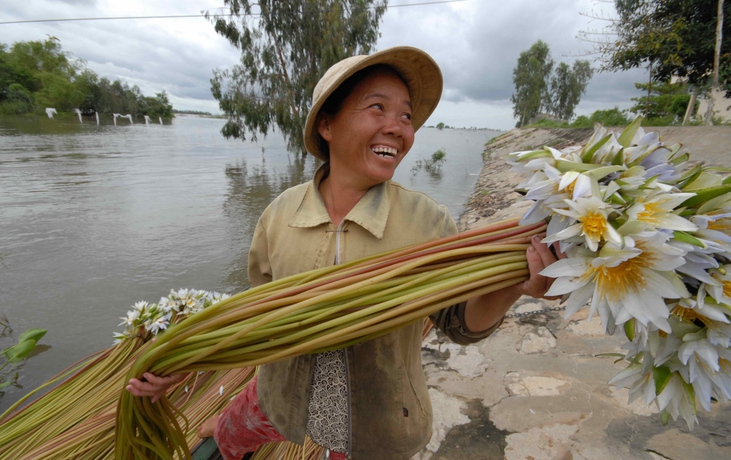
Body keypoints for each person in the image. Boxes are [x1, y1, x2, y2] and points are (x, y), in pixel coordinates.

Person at [127, 46, 562, 460]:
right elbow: (255, 316)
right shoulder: (279, 215)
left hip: (375, 424)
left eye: (406, 116)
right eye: (378, 108)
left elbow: (459, 326)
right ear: (327, 125)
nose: (398, 126)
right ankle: (224, 435)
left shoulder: (428, 222)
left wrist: (512, 288)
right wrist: (189, 359)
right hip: (282, 395)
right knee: (238, 428)